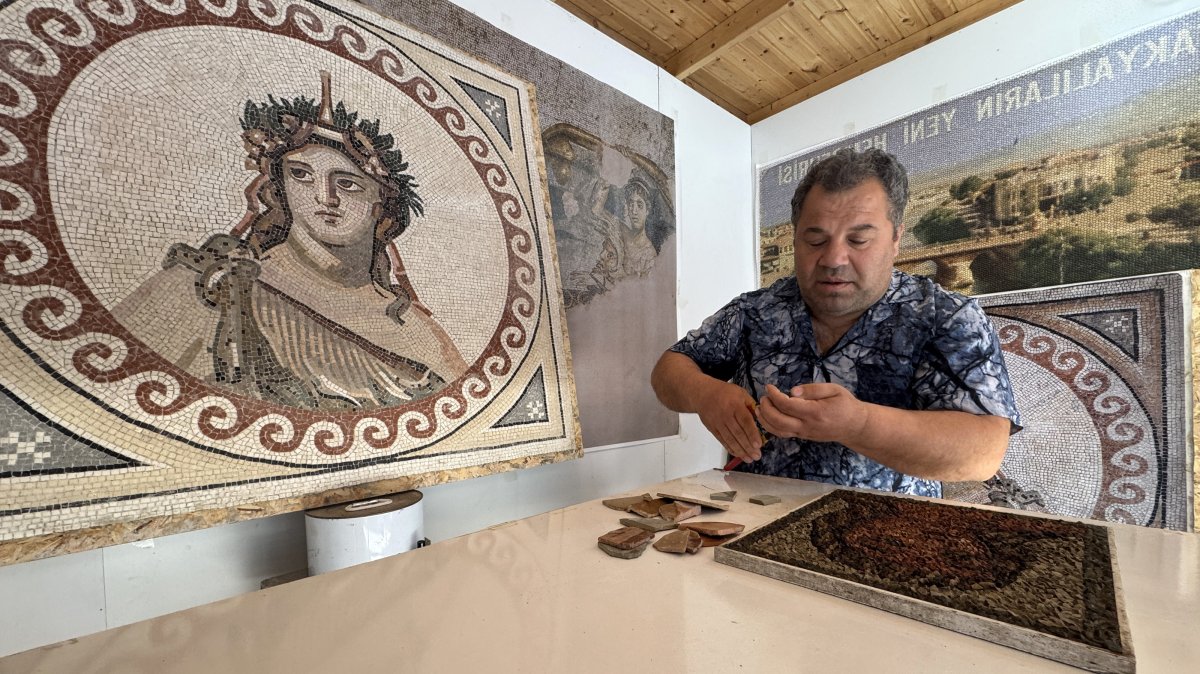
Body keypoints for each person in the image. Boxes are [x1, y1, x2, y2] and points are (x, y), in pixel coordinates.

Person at [650, 148, 1020, 497]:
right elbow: (668, 370)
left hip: (893, 541)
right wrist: (706, 394)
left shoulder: (946, 317)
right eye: (815, 240)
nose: (834, 258)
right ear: (795, 238)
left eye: (858, 239)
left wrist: (857, 424)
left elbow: (984, 453)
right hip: (752, 528)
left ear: (895, 239)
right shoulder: (757, 310)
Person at [114, 72, 467, 410]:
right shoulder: (219, 282)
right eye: (301, 176)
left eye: (347, 183)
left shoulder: (418, 329)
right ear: (280, 187)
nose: (324, 197)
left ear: (382, 207)